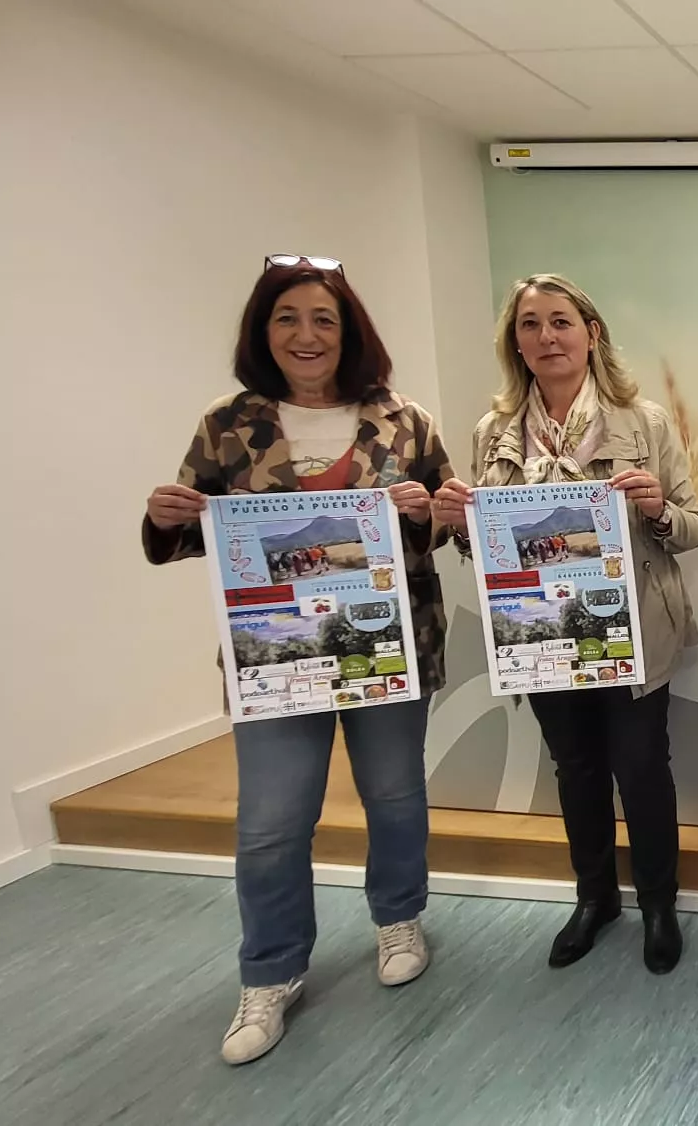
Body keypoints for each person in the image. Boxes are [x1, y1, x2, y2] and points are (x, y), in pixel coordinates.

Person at [143, 255, 454, 1066]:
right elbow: (192, 531)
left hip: (388, 646)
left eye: (324, 319)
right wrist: (168, 514)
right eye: (288, 318)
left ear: (348, 330)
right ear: (264, 330)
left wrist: (429, 511)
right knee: (272, 823)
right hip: (275, 655)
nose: (307, 335)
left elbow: (447, 518)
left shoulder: (403, 419)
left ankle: (399, 918)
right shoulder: (228, 422)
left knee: (394, 795)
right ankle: (271, 970)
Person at [431, 274, 698, 976]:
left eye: (560, 321)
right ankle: (594, 899)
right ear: (514, 343)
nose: (546, 337)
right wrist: (461, 527)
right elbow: (482, 546)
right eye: (530, 325)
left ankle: (658, 904)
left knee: (642, 770)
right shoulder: (494, 433)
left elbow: (691, 528)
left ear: (592, 334)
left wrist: (654, 510)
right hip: (541, 633)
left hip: (632, 630)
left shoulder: (643, 422)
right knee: (575, 768)